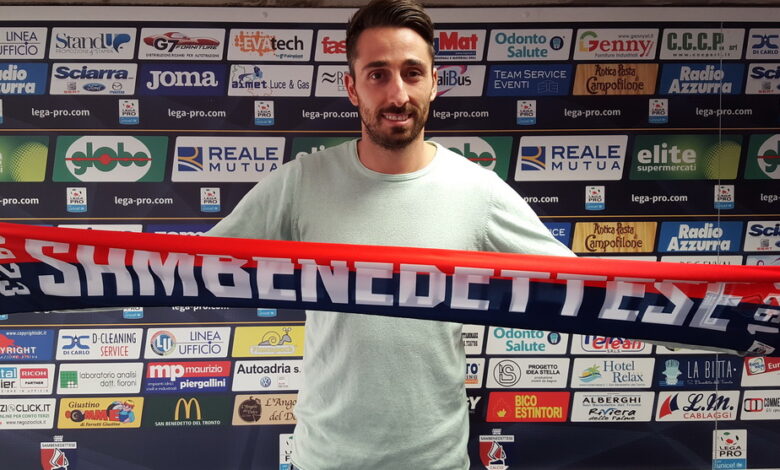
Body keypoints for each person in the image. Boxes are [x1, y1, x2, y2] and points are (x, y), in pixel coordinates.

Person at [207, 0, 573, 468]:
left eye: (412, 73)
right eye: (378, 74)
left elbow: (587, 287)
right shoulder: (303, 183)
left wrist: (674, 310)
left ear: (434, 83)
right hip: (325, 461)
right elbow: (186, 265)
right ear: (351, 87)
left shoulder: (477, 192)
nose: (397, 94)